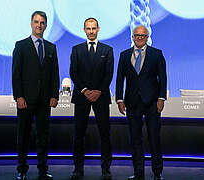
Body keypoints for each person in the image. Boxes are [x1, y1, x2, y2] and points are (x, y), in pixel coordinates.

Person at [12, 11, 59, 180]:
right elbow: (16, 74)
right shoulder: (21, 46)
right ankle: (22, 169)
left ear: (45, 25)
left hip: (45, 100)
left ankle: (42, 170)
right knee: (23, 136)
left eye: (42, 23)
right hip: (25, 100)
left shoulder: (51, 47)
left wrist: (55, 95)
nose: (39, 25)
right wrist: (19, 96)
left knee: (43, 137)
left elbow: (55, 74)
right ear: (31, 24)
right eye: (36, 22)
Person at [115, 25, 167, 180]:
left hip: (152, 103)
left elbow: (163, 78)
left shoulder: (156, 54)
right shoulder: (124, 55)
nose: (139, 38)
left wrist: (161, 98)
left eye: (142, 35)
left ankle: (157, 172)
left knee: (154, 138)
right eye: (137, 35)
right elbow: (119, 79)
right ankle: (138, 172)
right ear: (132, 37)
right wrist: (119, 99)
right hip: (132, 103)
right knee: (135, 139)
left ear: (147, 37)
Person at [69, 17, 114, 180]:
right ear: (84, 30)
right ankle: (78, 169)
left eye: (93, 28)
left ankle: (106, 169)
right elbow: (73, 72)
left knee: (105, 134)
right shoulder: (76, 49)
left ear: (98, 29)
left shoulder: (107, 50)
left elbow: (109, 74)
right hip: (82, 96)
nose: (91, 31)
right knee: (78, 134)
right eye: (88, 28)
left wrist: (98, 91)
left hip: (101, 97)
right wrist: (85, 90)